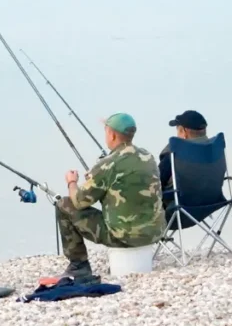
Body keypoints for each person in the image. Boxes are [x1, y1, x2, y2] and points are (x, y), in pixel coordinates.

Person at [56, 113, 166, 277]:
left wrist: (71, 182)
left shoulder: (107, 164)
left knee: (64, 204)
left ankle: (78, 266)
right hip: (154, 232)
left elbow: (79, 202)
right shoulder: (148, 157)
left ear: (112, 134)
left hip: (122, 237)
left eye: (106, 131)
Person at [158, 110, 210, 192]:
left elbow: (157, 182)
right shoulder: (214, 150)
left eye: (178, 131)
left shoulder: (173, 154)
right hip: (211, 199)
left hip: (182, 201)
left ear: (183, 132)